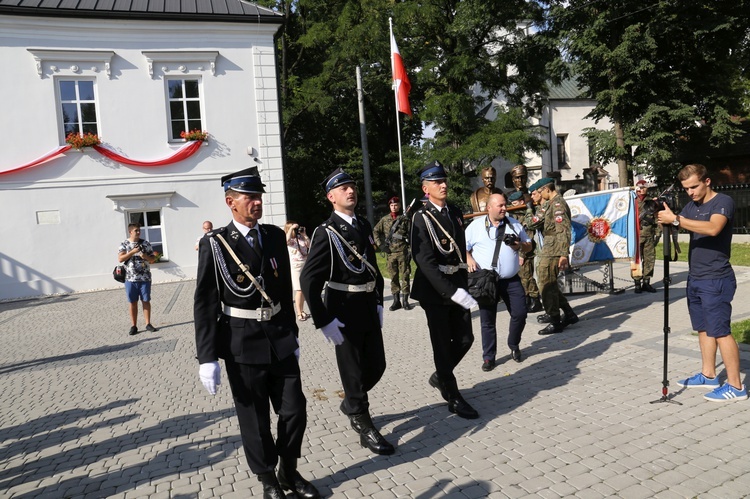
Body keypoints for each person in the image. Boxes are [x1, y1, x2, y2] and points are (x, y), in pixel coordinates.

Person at [194, 167, 320, 499]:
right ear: (230, 202)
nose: (256, 202)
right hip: (240, 341)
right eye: (249, 197)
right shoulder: (216, 244)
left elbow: (280, 290)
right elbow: (205, 303)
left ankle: (288, 471)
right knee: (254, 419)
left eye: (259, 196)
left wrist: (292, 336)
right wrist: (207, 357)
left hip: (279, 337)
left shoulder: (275, 236)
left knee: (294, 410)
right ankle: (267, 478)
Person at [299, 168, 394, 455]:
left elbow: (373, 267)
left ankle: (352, 401)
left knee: (377, 365)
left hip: (366, 305)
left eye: (352, 186)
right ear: (331, 197)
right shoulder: (325, 232)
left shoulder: (363, 225)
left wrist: (378, 300)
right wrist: (323, 319)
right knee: (352, 370)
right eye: (343, 189)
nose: (350, 191)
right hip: (342, 309)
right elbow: (308, 280)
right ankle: (364, 424)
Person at [658, 163, 747, 402]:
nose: (690, 192)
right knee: (703, 328)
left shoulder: (723, 202)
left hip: (716, 277)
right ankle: (708, 374)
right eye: (686, 188)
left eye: (694, 187)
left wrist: (676, 219)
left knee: (720, 331)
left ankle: (736, 386)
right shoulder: (691, 205)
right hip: (695, 277)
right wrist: (666, 220)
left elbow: (713, 228)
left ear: (707, 181)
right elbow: (680, 222)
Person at [411, 160, 480, 419]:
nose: (444, 185)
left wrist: (464, 281)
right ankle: (452, 396)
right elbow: (425, 261)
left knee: (465, 339)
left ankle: (441, 375)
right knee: (441, 344)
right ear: (425, 188)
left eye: (444, 180)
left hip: (458, 284)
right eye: (437, 182)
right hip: (435, 291)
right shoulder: (421, 217)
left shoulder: (454, 211)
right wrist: (450, 291)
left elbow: (458, 248)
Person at [465, 193, 532, 371]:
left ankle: (513, 344)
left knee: (520, 313)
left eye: (505, 205)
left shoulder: (513, 224)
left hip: (511, 280)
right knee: (487, 321)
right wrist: (468, 258)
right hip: (487, 281)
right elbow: (461, 246)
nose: (504, 208)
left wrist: (519, 245)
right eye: (500, 206)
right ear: (489, 208)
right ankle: (489, 357)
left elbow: (529, 245)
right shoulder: (476, 226)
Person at [529, 177, 579, 335]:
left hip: (555, 248)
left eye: (539, 191)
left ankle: (555, 320)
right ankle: (569, 314)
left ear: (546, 190)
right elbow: (533, 223)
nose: (538, 194)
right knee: (549, 283)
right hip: (550, 247)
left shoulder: (558, 204)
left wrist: (564, 254)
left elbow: (563, 230)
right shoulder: (550, 204)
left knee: (546, 283)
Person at [373, 196, 413, 311]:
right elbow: (375, 231)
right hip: (390, 253)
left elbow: (410, 235)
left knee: (405, 275)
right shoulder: (385, 220)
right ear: (389, 206)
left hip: (403, 251)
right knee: (393, 276)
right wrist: (381, 245)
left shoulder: (405, 219)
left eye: (396, 205)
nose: (394, 207)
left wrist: (410, 250)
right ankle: (396, 301)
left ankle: (405, 301)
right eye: (392, 205)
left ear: (399, 206)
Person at [118, 224, 157, 335]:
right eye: (136, 230)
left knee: (146, 301)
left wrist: (146, 257)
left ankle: (148, 323)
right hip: (130, 279)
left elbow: (153, 259)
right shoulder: (124, 244)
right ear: (130, 232)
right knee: (132, 302)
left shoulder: (145, 243)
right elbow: (120, 258)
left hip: (145, 278)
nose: (139, 232)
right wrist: (131, 252)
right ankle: (134, 325)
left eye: (139, 230)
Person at [509, 190, 543, 312]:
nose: (512, 206)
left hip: (526, 252)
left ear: (522, 202)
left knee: (527, 277)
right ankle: (528, 299)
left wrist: (522, 254)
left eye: (515, 203)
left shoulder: (525, 217)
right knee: (522, 277)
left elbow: (527, 236)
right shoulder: (514, 215)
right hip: (518, 251)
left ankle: (535, 300)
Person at [631, 180, 658, 293]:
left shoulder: (651, 202)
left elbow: (656, 218)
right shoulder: (631, 201)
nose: (642, 189)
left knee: (649, 259)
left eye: (644, 187)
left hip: (649, 235)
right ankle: (637, 283)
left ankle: (646, 282)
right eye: (640, 187)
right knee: (636, 260)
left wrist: (658, 233)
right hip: (635, 235)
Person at [284, 221, 311, 321]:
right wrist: (291, 229)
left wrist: (305, 235)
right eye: (294, 229)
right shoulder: (290, 240)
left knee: (303, 289)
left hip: (305, 264)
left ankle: (302, 310)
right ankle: (299, 313)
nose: (296, 230)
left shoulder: (300, 238)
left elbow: (309, 245)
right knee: (299, 290)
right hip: (296, 267)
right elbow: (285, 240)